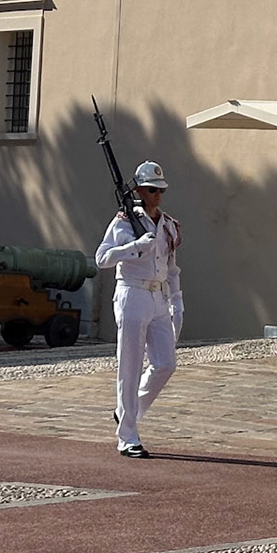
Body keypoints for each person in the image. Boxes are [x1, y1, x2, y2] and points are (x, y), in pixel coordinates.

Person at [95, 161, 182, 457]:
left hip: (158, 297)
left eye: (160, 190)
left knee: (166, 363)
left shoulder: (167, 224)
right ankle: (127, 436)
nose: (157, 195)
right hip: (132, 292)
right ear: (139, 191)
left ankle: (127, 412)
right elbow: (102, 258)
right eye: (151, 190)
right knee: (129, 366)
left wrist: (177, 300)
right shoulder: (123, 221)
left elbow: (171, 266)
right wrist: (134, 248)